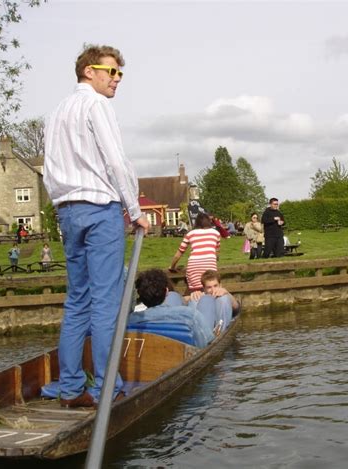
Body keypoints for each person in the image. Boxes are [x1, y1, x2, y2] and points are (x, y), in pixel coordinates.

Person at [43, 44, 149, 408]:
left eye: (121, 74)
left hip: (67, 212)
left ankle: (70, 387)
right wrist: (135, 210)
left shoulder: (56, 113)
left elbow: (51, 171)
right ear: (89, 71)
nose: (117, 80)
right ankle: (107, 385)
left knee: (77, 301)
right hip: (101, 209)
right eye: (112, 72)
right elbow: (116, 162)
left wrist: (62, 204)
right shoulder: (97, 105)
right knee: (105, 302)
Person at [129, 269, 215, 348]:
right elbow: (208, 343)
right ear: (166, 292)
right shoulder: (190, 315)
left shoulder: (129, 320)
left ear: (141, 297)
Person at [169, 212, 220, 293]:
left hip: (194, 265)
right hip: (210, 265)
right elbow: (216, 253)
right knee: (212, 291)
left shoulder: (190, 234)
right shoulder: (216, 233)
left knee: (195, 291)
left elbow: (178, 254)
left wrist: (172, 267)